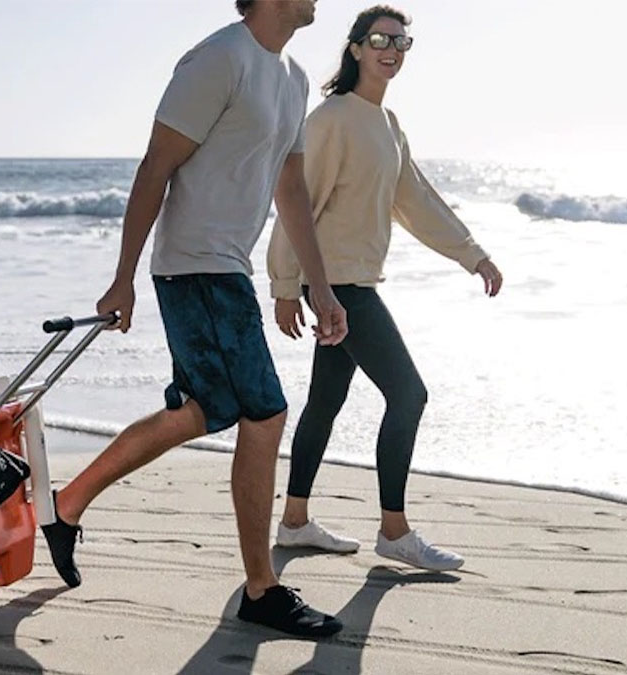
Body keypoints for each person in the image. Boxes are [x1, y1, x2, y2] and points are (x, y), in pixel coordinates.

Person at [39, 0, 350, 638]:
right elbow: (156, 165)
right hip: (194, 265)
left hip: (226, 267)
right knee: (264, 411)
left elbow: (288, 186)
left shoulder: (291, 78)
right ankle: (260, 589)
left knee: (201, 411)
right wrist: (123, 276)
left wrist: (319, 286)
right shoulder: (218, 58)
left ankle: (65, 506)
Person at [267, 4, 504, 572]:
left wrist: (472, 254)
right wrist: (285, 283)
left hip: (351, 281)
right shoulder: (331, 118)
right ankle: (394, 530)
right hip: (338, 286)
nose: (391, 49)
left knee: (326, 400)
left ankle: (294, 521)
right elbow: (296, 200)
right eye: (379, 39)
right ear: (355, 48)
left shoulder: (388, 124)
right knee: (409, 394)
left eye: (401, 41)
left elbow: (415, 201)